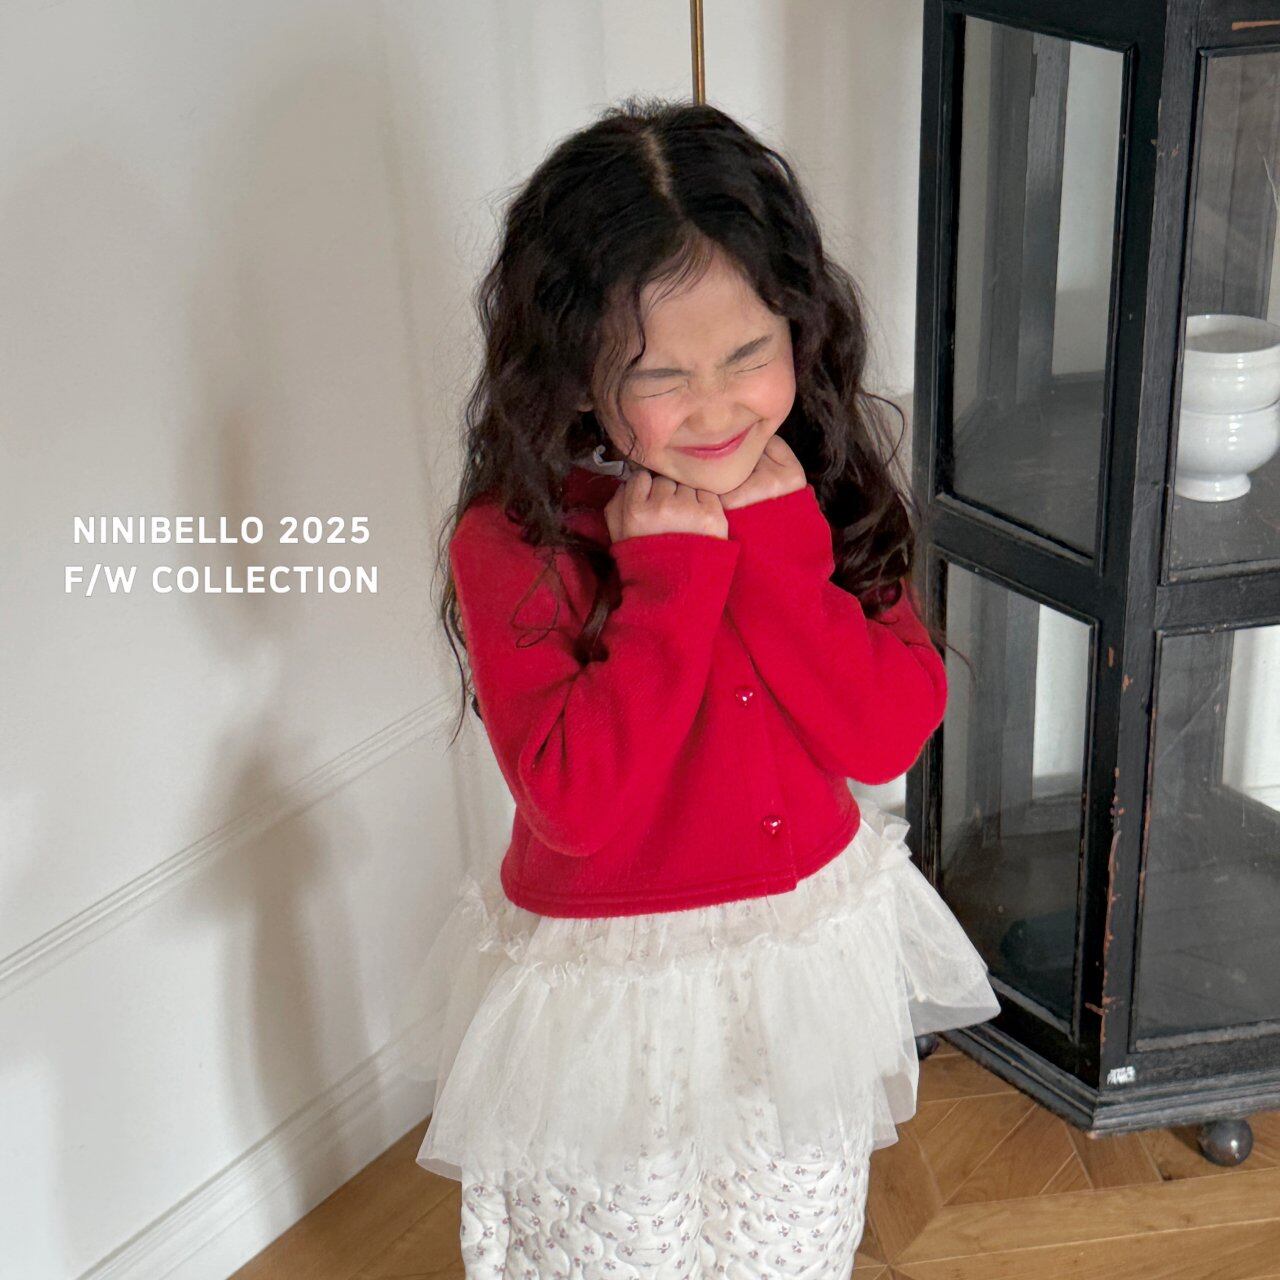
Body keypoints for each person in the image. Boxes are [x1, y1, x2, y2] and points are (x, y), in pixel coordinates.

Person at [395, 95, 1001, 1278]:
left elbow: (882, 733)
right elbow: (575, 805)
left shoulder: (819, 483)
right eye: (661, 375)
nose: (717, 407)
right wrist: (669, 581)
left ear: (799, 328)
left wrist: (774, 549)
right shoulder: (513, 537)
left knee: (794, 1243)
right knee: (610, 1254)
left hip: (796, 961)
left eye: (747, 354)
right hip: (609, 990)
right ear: (575, 377)